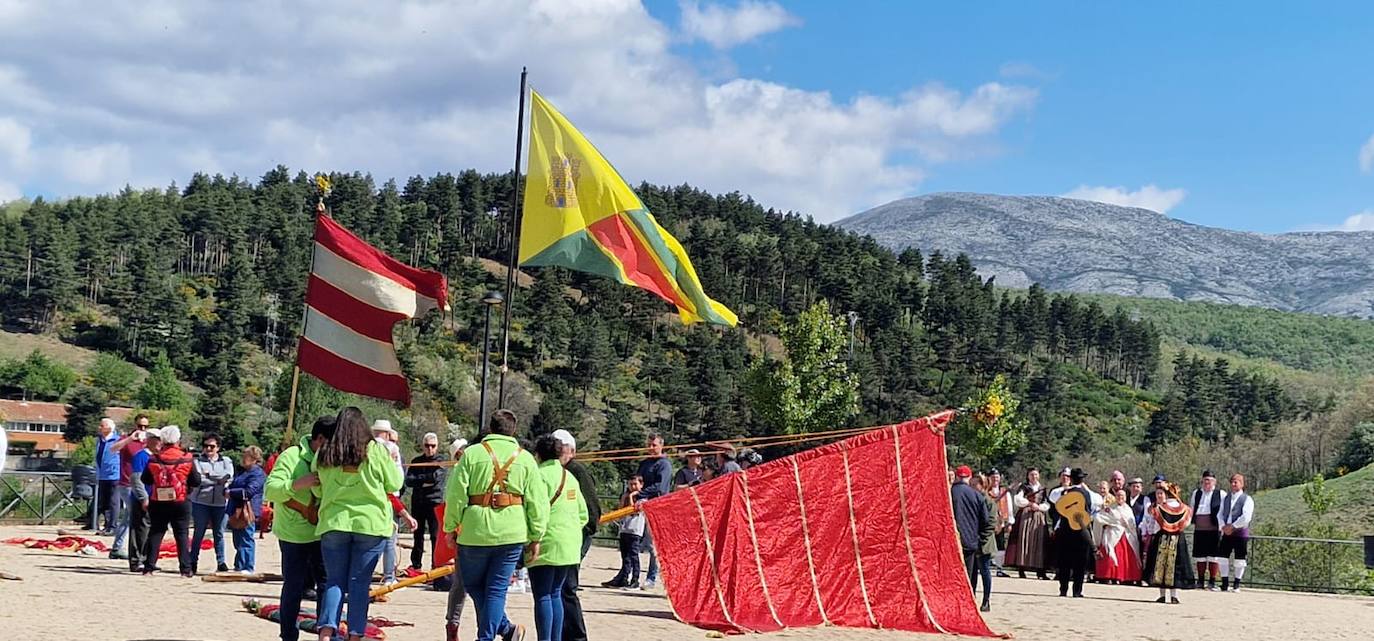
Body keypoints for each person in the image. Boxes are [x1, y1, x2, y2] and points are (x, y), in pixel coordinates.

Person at [444, 409, 548, 641]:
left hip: (475, 531)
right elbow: (537, 502)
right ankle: (500, 631)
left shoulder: (471, 455)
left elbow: (456, 495)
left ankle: (495, 633)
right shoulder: (525, 459)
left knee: (473, 585)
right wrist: (536, 536)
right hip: (512, 532)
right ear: (514, 430)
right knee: (496, 590)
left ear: (491, 428)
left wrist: (450, 527)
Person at [313, 407, 403, 641]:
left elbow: (317, 487)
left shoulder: (326, 450)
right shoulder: (376, 450)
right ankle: (354, 635)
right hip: (370, 524)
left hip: (334, 521)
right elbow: (394, 484)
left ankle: (326, 632)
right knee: (359, 583)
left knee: (334, 581)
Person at [266, 416, 334, 641]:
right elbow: (270, 490)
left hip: (322, 532)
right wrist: (297, 484)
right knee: (293, 587)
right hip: (293, 535)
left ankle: (324, 634)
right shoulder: (291, 456)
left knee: (326, 585)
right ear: (320, 439)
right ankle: (288, 635)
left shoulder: (331, 459)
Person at [528, 435, 589, 641]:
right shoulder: (569, 477)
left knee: (542, 595)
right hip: (569, 544)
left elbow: (535, 511)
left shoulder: (539, 476)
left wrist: (533, 538)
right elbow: (583, 514)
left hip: (546, 542)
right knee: (556, 593)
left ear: (538, 455)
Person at [551, 429, 599, 641]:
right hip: (565, 537)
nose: (558, 452)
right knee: (560, 589)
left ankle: (577, 637)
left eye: (561, 448)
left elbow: (592, 510)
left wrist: (581, 533)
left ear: (571, 451)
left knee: (567, 588)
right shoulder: (556, 470)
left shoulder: (576, 471)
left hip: (576, 536)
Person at [140, 425, 201, 577]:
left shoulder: (154, 458)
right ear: (178, 439)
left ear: (162, 440)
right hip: (180, 500)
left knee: (156, 532)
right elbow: (196, 481)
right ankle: (185, 570)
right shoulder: (187, 458)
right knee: (181, 534)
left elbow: (145, 479)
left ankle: (149, 567)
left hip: (158, 500)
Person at [1051, 468, 1101, 598]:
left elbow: (1054, 500)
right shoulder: (1088, 494)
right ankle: (1077, 590)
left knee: (1064, 561)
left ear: (1071, 479)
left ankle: (1063, 589)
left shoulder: (1063, 492)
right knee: (1080, 562)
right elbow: (1095, 505)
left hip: (1065, 529)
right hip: (1081, 530)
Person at [1143, 483, 1196, 604]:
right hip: (1177, 539)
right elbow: (1187, 523)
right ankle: (1174, 596)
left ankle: (1162, 595)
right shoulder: (1185, 509)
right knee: (1175, 566)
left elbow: (1155, 521)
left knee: (1160, 566)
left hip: (1162, 537)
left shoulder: (1159, 508)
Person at [190, 432, 234, 574]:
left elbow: (229, 476)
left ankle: (221, 562)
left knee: (219, 533)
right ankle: (192, 561)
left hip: (221, 503)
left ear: (218, 447)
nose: (208, 449)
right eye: (206, 446)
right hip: (200, 502)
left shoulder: (226, 461)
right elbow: (199, 480)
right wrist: (218, 480)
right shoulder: (197, 461)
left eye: (212, 446)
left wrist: (210, 476)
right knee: (198, 533)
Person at [633, 433, 673, 590]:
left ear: (661, 446)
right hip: (640, 504)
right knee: (631, 538)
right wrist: (633, 493)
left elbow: (660, 487)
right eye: (648, 445)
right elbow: (637, 480)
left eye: (654, 445)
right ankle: (628, 574)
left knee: (652, 544)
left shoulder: (664, 464)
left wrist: (641, 494)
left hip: (657, 505)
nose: (650, 448)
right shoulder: (644, 463)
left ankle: (651, 577)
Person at [109, 414, 151, 559]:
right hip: (126, 484)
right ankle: (133, 549)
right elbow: (112, 449)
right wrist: (130, 439)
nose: (143, 429)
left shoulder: (148, 441)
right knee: (135, 516)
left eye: (146, 426)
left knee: (129, 517)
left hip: (142, 484)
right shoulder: (127, 439)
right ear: (135, 425)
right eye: (140, 426)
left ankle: (117, 547)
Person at [950, 465, 992, 609]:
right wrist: (978, 535)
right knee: (969, 575)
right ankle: (968, 603)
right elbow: (985, 520)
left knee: (950, 573)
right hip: (970, 540)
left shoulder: (949, 493)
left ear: (957, 476)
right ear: (969, 477)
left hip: (950, 541)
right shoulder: (977, 495)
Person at [405, 432, 447, 572]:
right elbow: (409, 481)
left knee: (435, 536)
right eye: (427, 445)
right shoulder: (416, 461)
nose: (430, 449)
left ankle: (436, 565)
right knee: (418, 534)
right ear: (423, 446)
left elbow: (435, 478)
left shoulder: (441, 461)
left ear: (437, 446)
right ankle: (416, 565)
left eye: (433, 446)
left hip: (434, 502)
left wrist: (419, 480)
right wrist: (424, 481)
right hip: (418, 502)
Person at [371, 419, 405, 586]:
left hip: (372, 497)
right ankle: (389, 576)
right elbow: (398, 479)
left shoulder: (367, 447)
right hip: (390, 497)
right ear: (387, 433)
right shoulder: (392, 448)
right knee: (390, 540)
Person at [443, 437, 469, 641]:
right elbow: (453, 500)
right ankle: (501, 626)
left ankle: (453, 622)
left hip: (469, 530)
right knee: (467, 583)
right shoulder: (460, 469)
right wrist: (451, 529)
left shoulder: (463, 468)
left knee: (462, 583)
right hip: (469, 531)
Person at [602, 475, 645, 589]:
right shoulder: (625, 496)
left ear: (641, 485)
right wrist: (624, 498)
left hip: (635, 530)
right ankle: (623, 578)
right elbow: (620, 510)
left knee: (634, 556)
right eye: (630, 484)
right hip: (624, 529)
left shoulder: (642, 498)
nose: (632, 487)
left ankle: (635, 579)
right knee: (625, 556)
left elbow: (633, 510)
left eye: (635, 484)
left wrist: (631, 496)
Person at [228, 445, 266, 574]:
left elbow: (249, 491)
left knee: (246, 538)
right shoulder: (242, 472)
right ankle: (239, 565)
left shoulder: (258, 474)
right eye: (243, 456)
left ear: (255, 459)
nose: (243, 459)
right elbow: (233, 485)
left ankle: (248, 566)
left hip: (248, 511)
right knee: (237, 539)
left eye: (246, 457)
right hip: (236, 510)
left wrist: (231, 492)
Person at [1005, 472, 1050, 580]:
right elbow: (1018, 500)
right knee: (1023, 540)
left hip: (1038, 516)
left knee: (1039, 542)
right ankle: (1021, 568)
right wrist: (1030, 504)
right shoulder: (1024, 487)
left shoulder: (1042, 489)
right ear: (1028, 476)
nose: (1034, 477)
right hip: (1025, 515)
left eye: (1036, 475)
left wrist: (1039, 507)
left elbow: (1046, 503)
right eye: (1031, 475)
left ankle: (1040, 570)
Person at [125, 427, 158, 573]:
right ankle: (136, 560)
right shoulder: (141, 456)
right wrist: (144, 498)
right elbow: (136, 479)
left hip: (155, 498)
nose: (159, 443)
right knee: (139, 530)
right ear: (149, 440)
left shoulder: (157, 457)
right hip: (142, 498)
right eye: (156, 440)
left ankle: (147, 559)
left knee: (150, 530)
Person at [1093, 490, 1142, 584]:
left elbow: (1132, 524)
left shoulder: (1128, 509)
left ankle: (1127, 577)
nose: (1120, 497)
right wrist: (1109, 523)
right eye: (1118, 495)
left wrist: (1127, 524)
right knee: (1110, 553)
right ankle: (1109, 576)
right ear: (1115, 497)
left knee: (1127, 556)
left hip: (1126, 535)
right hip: (1113, 533)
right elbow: (1098, 518)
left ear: (1125, 497)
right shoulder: (1110, 508)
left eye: (1122, 496)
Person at [1190, 469, 1227, 590]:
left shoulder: (1221, 494)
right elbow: (1191, 508)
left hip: (1214, 529)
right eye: (1205, 480)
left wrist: (1223, 526)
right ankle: (1200, 581)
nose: (1207, 483)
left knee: (1213, 556)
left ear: (1214, 482)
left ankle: (1212, 581)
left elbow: (1224, 511)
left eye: (1209, 480)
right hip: (1199, 529)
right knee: (1200, 556)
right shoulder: (1196, 493)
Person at [1217, 473, 1254, 592]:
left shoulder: (1247, 499)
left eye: (1236, 482)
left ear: (1242, 484)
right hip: (1226, 532)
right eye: (1232, 482)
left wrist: (1233, 526)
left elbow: (1246, 517)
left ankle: (1236, 584)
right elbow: (1220, 514)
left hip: (1240, 532)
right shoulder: (1226, 498)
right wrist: (1223, 526)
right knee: (1222, 557)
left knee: (1240, 559)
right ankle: (1224, 584)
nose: (1233, 484)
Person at [967, 474, 997, 612]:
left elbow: (991, 523)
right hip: (971, 540)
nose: (972, 488)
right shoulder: (971, 499)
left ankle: (986, 600)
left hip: (984, 542)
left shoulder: (988, 502)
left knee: (985, 571)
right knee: (972, 572)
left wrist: (980, 538)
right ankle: (971, 597)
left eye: (975, 485)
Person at [92, 418, 121, 534]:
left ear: (109, 428)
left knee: (113, 501)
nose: (99, 428)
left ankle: (113, 526)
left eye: (102, 426)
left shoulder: (117, 440)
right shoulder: (99, 440)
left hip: (114, 475)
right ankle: (107, 525)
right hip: (102, 475)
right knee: (104, 502)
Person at [985, 469, 1013, 577]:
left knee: (1000, 545)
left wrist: (1009, 522)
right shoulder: (986, 491)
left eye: (997, 477)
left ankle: (999, 568)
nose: (995, 479)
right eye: (993, 477)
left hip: (1001, 522)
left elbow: (1009, 508)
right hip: (988, 522)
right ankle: (987, 567)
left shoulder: (1004, 492)